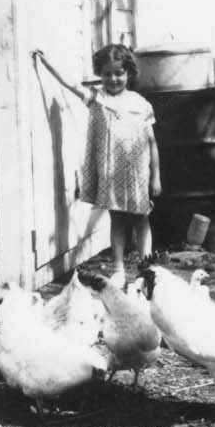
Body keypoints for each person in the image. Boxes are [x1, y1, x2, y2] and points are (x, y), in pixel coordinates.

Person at [33, 44, 161, 285]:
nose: (113, 79)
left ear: (129, 73)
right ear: (100, 75)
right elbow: (70, 83)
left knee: (141, 220)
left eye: (119, 73)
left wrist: (156, 178)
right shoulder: (97, 99)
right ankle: (119, 269)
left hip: (138, 175)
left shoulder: (140, 103)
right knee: (117, 221)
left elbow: (152, 142)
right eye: (107, 73)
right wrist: (48, 63)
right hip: (111, 173)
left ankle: (146, 269)